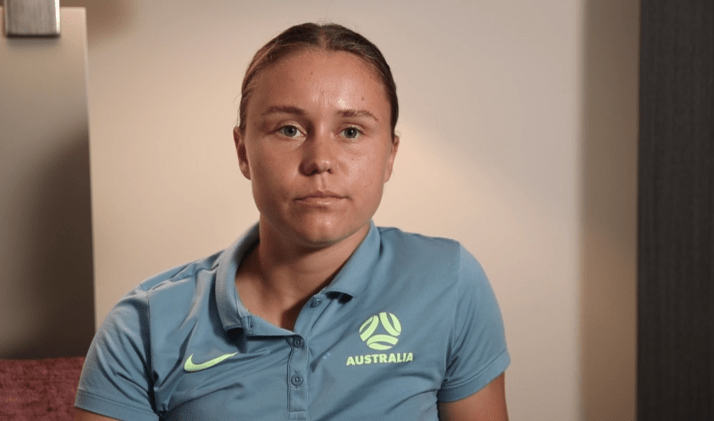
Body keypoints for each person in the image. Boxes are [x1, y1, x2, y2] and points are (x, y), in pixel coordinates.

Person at [74, 22, 510, 421]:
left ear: (390, 156)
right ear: (243, 152)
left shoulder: (448, 282)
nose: (320, 160)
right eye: (289, 130)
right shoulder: (143, 326)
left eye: (351, 131)